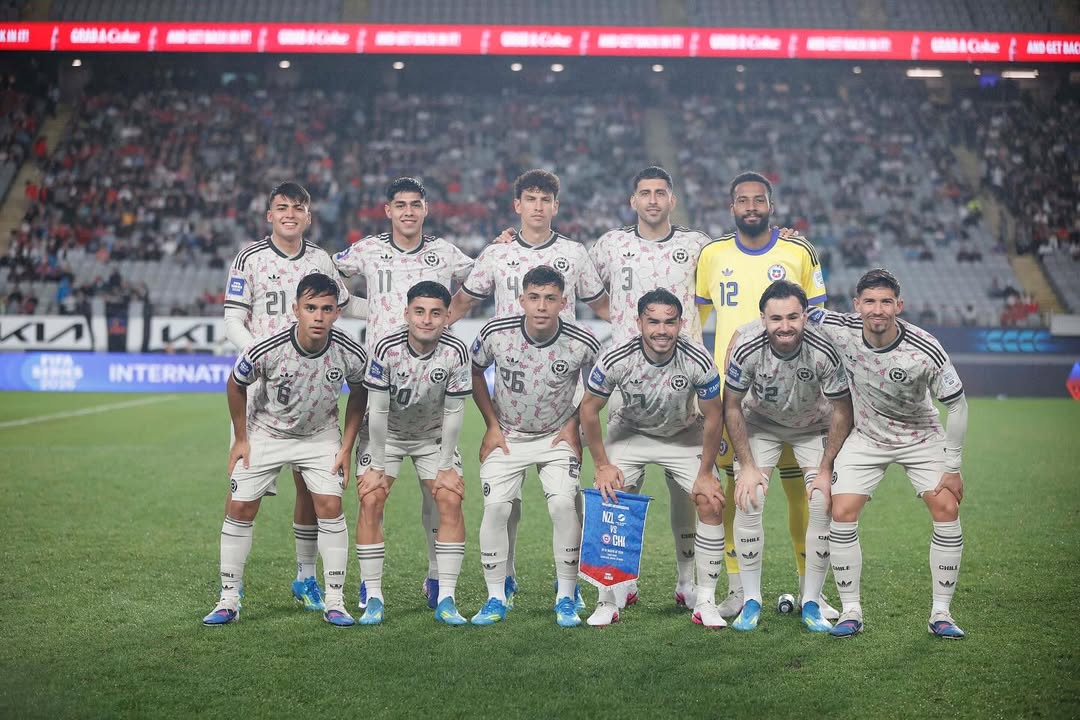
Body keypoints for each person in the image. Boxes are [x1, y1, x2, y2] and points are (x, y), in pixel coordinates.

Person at [450, 169, 609, 609]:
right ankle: (505, 578)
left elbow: (601, 305)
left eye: (546, 199)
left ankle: (568, 585)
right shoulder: (497, 254)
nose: (538, 207)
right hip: (511, 383)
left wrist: (645, 332)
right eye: (530, 199)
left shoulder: (574, 253)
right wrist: (429, 332)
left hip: (561, 382)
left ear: (556, 206)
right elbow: (463, 300)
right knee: (507, 503)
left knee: (565, 500)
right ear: (517, 204)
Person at [695, 171, 837, 620]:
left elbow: (818, 319)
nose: (751, 207)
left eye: (759, 200)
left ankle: (811, 589)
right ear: (731, 207)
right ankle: (739, 590)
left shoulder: (798, 250)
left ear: (771, 206)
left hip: (797, 396)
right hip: (734, 395)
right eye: (743, 200)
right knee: (739, 489)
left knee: (804, 494)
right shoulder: (712, 254)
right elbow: (696, 323)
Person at [222, 181, 366, 613]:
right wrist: (259, 355)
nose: (290, 214)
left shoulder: (320, 259)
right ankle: (230, 591)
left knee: (311, 488)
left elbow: (345, 304)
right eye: (282, 207)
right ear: (270, 215)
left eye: (298, 207)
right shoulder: (249, 258)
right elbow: (233, 318)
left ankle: (306, 578)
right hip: (262, 385)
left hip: (314, 384)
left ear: (308, 216)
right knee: (242, 497)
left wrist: (399, 308)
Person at [333, 177, 475, 611]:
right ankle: (370, 588)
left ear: (425, 209)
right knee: (371, 494)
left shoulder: (445, 252)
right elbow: (328, 278)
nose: (408, 212)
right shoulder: (367, 250)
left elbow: (482, 281)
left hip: (432, 390)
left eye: (416, 204)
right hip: (384, 383)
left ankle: (437, 579)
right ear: (388, 210)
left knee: (440, 497)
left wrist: (450, 314)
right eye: (400, 205)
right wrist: (367, 307)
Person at [808, 268, 968, 639]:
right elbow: (796, 312)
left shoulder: (925, 347)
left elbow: (958, 406)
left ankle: (941, 613)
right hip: (867, 436)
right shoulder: (838, 327)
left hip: (920, 436)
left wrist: (953, 466)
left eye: (885, 302)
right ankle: (851, 611)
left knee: (946, 507)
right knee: (841, 510)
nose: (877, 309)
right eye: (869, 301)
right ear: (857, 304)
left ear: (899, 305)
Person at [203, 273, 368, 626]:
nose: (319, 316)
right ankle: (228, 599)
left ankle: (335, 601)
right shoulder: (267, 347)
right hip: (266, 433)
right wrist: (241, 438)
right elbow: (235, 383)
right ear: (296, 309)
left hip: (320, 437)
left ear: (337, 312)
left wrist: (346, 446)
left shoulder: (349, 350)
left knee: (330, 506)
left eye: (327, 309)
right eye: (311, 308)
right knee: (240, 506)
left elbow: (359, 392)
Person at [586, 167, 713, 609]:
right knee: (624, 484)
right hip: (628, 376)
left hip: (684, 377)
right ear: (633, 200)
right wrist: (622, 323)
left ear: (672, 200)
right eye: (645, 193)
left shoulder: (697, 245)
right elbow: (581, 283)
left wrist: (782, 237)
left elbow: (730, 273)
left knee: (687, 490)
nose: (653, 200)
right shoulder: (610, 244)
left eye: (661, 193)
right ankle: (621, 579)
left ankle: (686, 581)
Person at [579, 289, 728, 628]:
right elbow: (589, 409)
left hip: (683, 433)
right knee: (610, 497)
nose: (662, 330)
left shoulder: (698, 359)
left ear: (681, 324)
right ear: (639, 323)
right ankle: (609, 598)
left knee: (710, 500)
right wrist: (602, 465)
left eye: (669, 322)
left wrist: (706, 472)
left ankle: (702, 597)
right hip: (631, 432)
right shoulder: (617, 357)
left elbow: (714, 415)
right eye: (654, 322)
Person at [469, 266, 601, 627]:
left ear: (563, 302)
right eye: (535, 297)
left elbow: (599, 386)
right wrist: (491, 425)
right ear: (522, 299)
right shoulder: (496, 333)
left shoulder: (583, 340)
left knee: (562, 505)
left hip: (557, 436)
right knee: (496, 509)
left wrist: (574, 424)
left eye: (550, 298)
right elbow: (475, 371)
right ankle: (496, 596)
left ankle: (566, 596)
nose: (542, 306)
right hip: (508, 435)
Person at [722, 281, 853, 633]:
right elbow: (731, 405)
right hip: (760, 423)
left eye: (793, 317)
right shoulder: (747, 345)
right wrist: (748, 466)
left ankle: (812, 600)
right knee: (750, 495)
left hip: (813, 425)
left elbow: (843, 410)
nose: (785, 326)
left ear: (805, 316)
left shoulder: (824, 347)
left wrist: (825, 468)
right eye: (776, 318)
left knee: (822, 499)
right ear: (762, 318)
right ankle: (751, 600)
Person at [353, 281, 472, 626]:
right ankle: (373, 594)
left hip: (432, 436)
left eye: (435, 313)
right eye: (419, 311)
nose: (426, 319)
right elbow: (377, 410)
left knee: (449, 498)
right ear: (406, 313)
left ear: (447, 317)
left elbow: (454, 412)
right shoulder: (386, 347)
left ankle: (445, 595)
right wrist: (376, 466)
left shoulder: (456, 351)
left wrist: (446, 467)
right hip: (386, 436)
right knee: (371, 498)